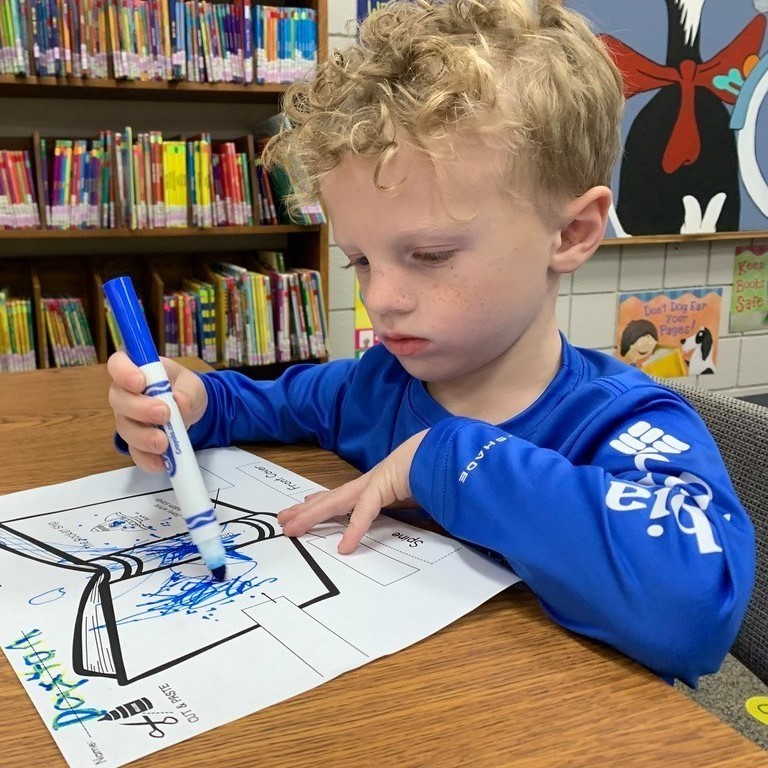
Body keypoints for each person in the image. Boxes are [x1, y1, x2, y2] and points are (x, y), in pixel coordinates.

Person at [107, 0, 754, 687]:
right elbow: (251, 404)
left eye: (432, 254)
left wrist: (449, 460)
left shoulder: (626, 425)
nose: (380, 299)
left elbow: (696, 611)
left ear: (570, 234)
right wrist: (184, 404)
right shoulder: (375, 384)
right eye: (360, 260)